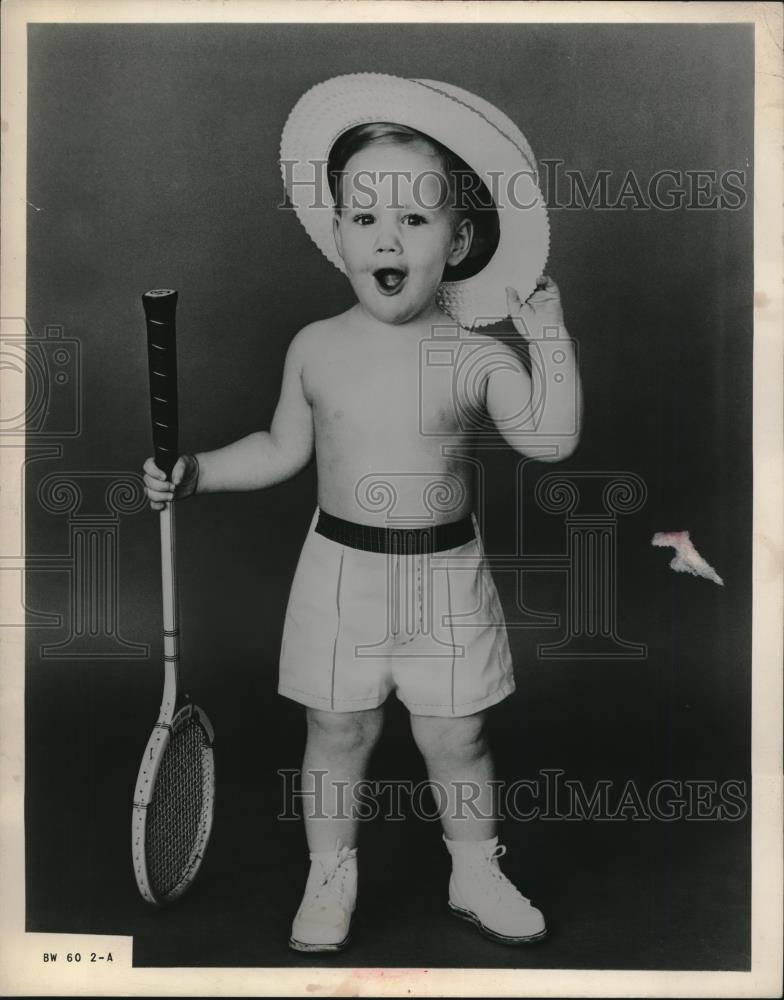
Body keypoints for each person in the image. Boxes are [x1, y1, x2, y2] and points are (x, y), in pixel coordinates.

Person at [143, 74, 582, 953]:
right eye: (364, 217)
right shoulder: (316, 347)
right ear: (336, 229)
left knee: (457, 734)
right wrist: (193, 474)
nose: (387, 238)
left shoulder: (473, 351)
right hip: (342, 572)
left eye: (415, 221)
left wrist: (547, 336)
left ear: (458, 243)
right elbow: (278, 449)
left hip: (446, 574)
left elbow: (550, 440)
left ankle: (475, 869)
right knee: (337, 729)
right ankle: (330, 874)